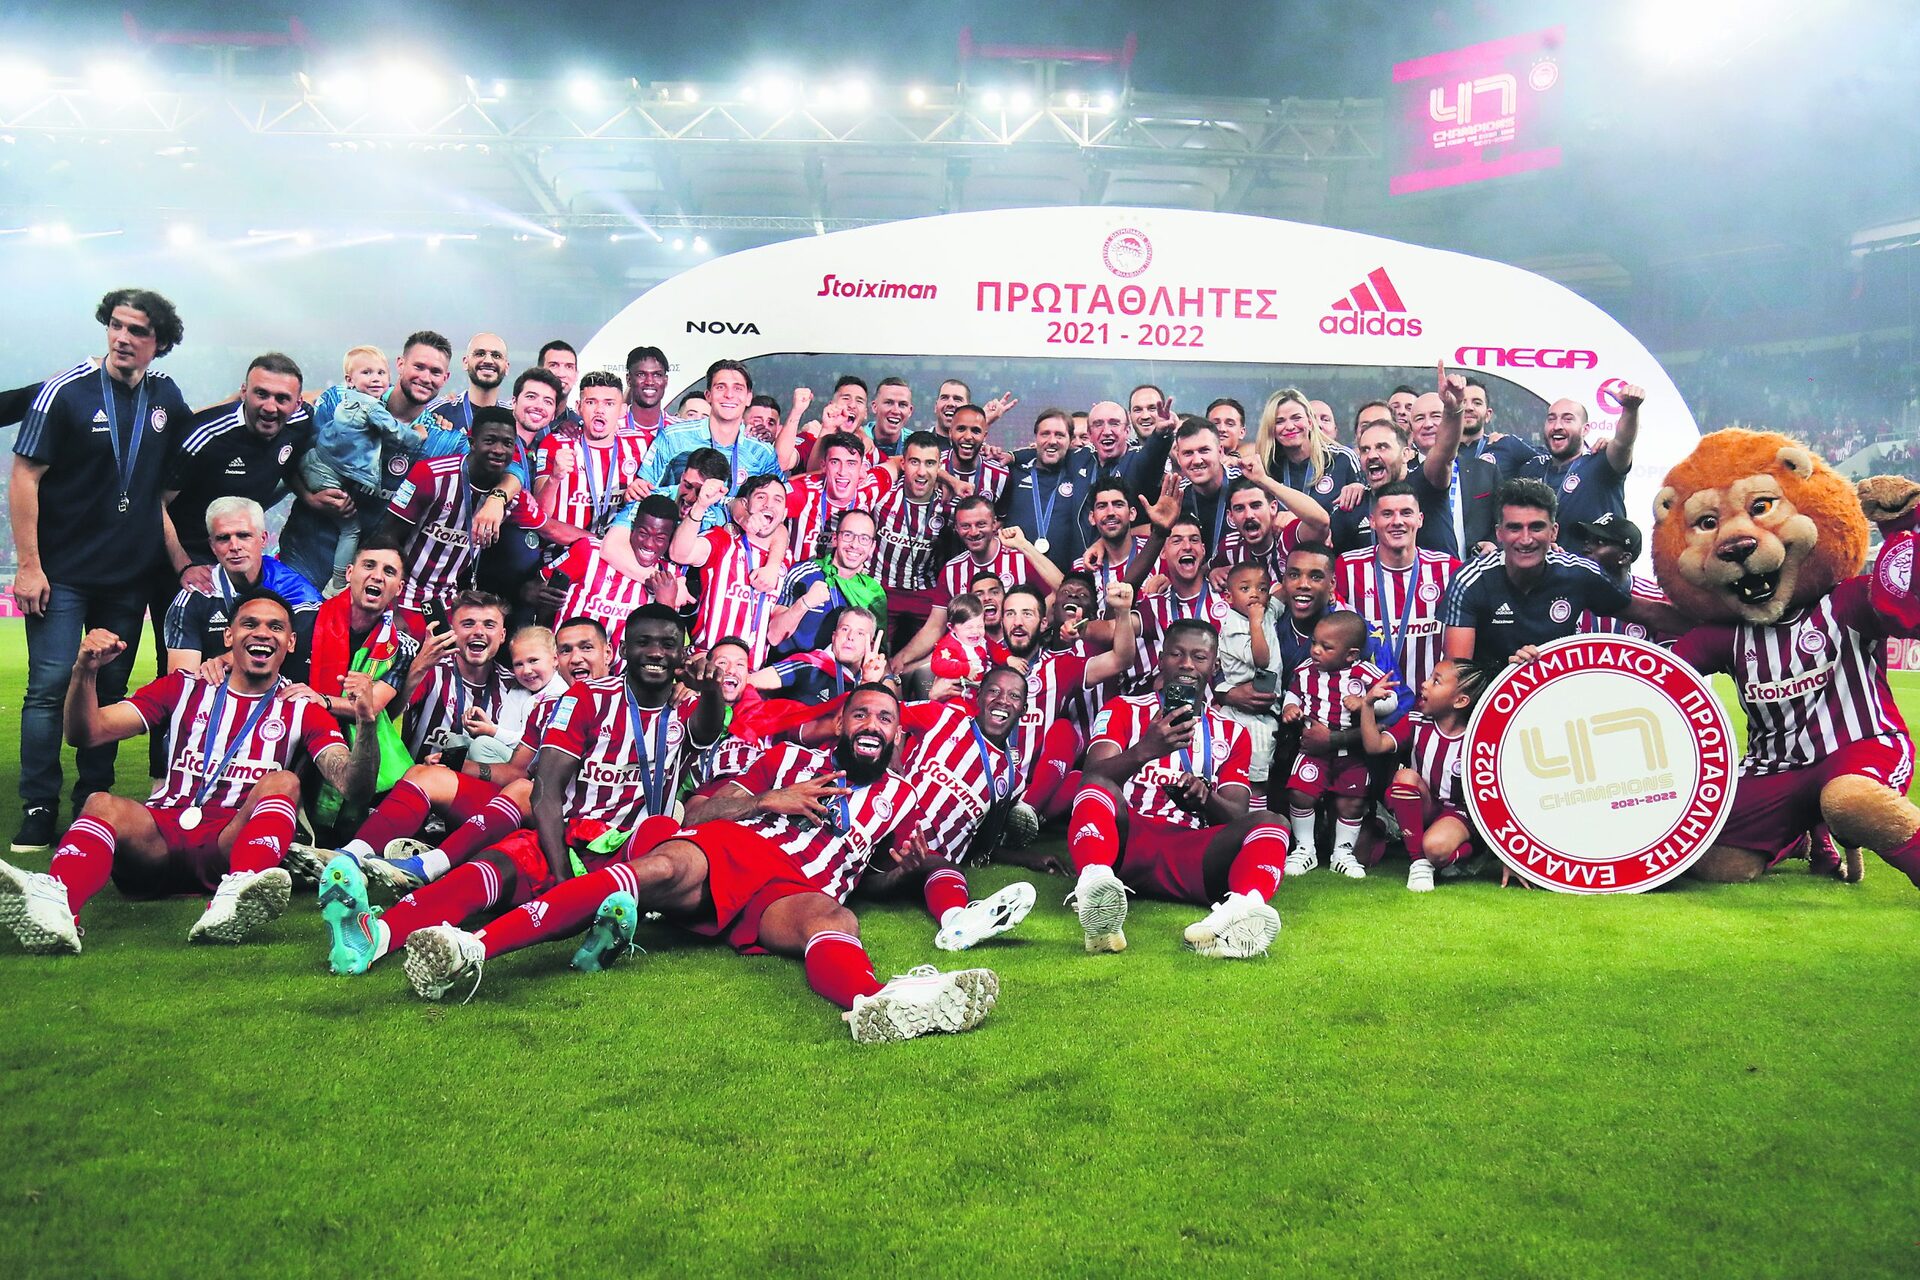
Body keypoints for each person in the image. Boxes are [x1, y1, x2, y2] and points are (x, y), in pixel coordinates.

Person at [394, 684, 1002, 1046]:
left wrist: (906, 872)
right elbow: (700, 809)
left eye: (885, 719)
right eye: (862, 714)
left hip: (801, 887)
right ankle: (474, 950)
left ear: (896, 737)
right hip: (733, 848)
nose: (872, 724)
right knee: (658, 869)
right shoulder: (786, 758)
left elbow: (876, 880)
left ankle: (871, 1004)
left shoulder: (902, 799)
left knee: (836, 919)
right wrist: (767, 799)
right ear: (841, 723)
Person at [317, 606, 721, 977]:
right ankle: (374, 936)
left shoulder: (687, 705)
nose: (656, 652)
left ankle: (476, 940)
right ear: (626, 648)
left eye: (668, 644)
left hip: (632, 850)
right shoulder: (587, 698)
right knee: (486, 869)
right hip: (572, 835)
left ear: (681, 653)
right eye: (644, 642)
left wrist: (709, 688)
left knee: (660, 829)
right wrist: (560, 870)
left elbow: (706, 729)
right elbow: (545, 787)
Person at [0, 591, 380, 954]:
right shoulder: (184, 686)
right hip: (159, 840)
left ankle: (238, 894)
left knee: (285, 781)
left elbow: (353, 786)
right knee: (100, 802)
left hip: (229, 843)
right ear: (229, 636)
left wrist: (366, 723)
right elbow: (86, 733)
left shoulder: (302, 706)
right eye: (250, 624)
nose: (263, 633)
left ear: (291, 643)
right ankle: (56, 904)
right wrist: (85, 671)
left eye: (276, 627)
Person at [11, 288, 193, 854]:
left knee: (110, 688)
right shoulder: (65, 391)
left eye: (138, 331)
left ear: (159, 343)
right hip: (61, 573)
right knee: (47, 688)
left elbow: (193, 451)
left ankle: (93, 797)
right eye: (116, 325)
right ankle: (38, 806)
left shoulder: (166, 396)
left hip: (126, 579)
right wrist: (29, 565)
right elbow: (24, 476)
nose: (122, 338)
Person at [1065, 618, 1291, 958]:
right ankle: (1096, 888)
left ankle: (1241, 912)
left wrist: (1205, 798)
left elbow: (1236, 814)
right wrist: (1145, 750)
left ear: (1214, 665)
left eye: (1199, 657)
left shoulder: (1233, 733)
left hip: (1192, 851)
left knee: (1274, 822)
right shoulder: (1124, 709)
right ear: (1161, 659)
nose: (1187, 664)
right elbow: (1091, 778)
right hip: (1127, 841)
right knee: (1096, 785)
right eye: (1176, 654)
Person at [278, 330, 456, 591]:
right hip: (303, 558)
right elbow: (288, 456)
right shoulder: (338, 400)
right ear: (400, 365)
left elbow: (502, 465)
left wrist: (497, 498)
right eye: (419, 366)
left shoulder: (441, 438)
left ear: (445, 378)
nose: (426, 377)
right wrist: (308, 496)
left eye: (435, 371)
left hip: (368, 581)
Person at [1441, 479, 1679, 665]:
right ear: (1499, 533)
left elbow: (1650, 614)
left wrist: (1703, 625)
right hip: (1487, 700)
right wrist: (1508, 673)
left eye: (1536, 527)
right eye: (1514, 528)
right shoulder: (1470, 580)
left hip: (1556, 699)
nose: (1526, 539)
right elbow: (1457, 672)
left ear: (1553, 532)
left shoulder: (1579, 573)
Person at [383, 411, 577, 626]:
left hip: (447, 601)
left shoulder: (513, 498)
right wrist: (391, 603)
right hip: (402, 593)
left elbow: (549, 527)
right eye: (490, 441)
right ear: (472, 443)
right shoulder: (431, 475)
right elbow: (388, 537)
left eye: (507, 444)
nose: (498, 450)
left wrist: (596, 541)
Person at [161, 353, 310, 576]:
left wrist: (309, 497)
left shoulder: (300, 422)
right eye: (261, 394)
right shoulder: (205, 435)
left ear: (298, 403)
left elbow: (289, 467)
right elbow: (157, 502)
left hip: (243, 556)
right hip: (191, 555)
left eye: (282, 398)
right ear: (244, 392)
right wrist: (184, 566)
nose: (270, 407)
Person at [299, 346, 430, 593]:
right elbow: (398, 434)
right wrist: (419, 433)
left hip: (312, 461)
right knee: (351, 529)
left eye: (381, 373)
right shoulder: (372, 407)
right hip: (326, 476)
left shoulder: (347, 399)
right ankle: (339, 582)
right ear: (350, 380)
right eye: (367, 373)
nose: (375, 379)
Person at [1279, 611, 1396, 878]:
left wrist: (1367, 703)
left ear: (1350, 654)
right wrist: (1290, 708)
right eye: (1314, 643)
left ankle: (1342, 853)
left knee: (1351, 802)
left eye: (1326, 647)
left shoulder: (1365, 673)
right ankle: (1304, 849)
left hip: (1352, 753)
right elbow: (1293, 693)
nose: (1316, 650)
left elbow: (1391, 700)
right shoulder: (1305, 670)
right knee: (1300, 793)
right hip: (1312, 751)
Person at [891, 497, 1062, 674]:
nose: (973, 532)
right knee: (906, 672)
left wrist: (1024, 546)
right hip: (972, 661)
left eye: (981, 524)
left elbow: (1061, 594)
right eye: (965, 526)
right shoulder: (952, 570)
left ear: (994, 524)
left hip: (1020, 658)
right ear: (956, 528)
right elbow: (935, 627)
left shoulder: (1020, 558)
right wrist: (901, 659)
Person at [162, 497, 322, 685]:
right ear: (212, 546)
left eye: (244, 535)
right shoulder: (195, 596)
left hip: (279, 698)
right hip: (214, 697)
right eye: (223, 538)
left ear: (263, 539)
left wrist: (236, 656)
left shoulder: (300, 595)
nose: (235, 547)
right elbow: (182, 682)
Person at [1379, 657, 1495, 892]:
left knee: (1435, 848)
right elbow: (1375, 745)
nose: (1424, 684)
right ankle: (1419, 863)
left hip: (1459, 814)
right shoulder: (1417, 722)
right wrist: (1367, 706)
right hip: (1428, 805)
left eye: (1436, 681)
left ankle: (1473, 853)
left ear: (1460, 701)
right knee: (1404, 778)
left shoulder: (1480, 738)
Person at [1334, 482, 1459, 698]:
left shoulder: (1449, 569)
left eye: (1406, 513)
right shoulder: (1348, 567)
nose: (1397, 521)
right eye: (1387, 514)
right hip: (1366, 703)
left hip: (1428, 704)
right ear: (1373, 521)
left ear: (1420, 519)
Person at [635, 359, 784, 529]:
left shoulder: (762, 452)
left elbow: (781, 502)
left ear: (749, 397)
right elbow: (644, 493)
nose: (729, 395)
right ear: (708, 395)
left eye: (738, 388)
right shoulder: (674, 437)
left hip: (735, 542)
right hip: (676, 535)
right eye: (720, 387)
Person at [671, 471, 793, 666]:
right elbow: (679, 554)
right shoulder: (724, 540)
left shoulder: (786, 558)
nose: (769, 504)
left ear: (784, 514)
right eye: (761, 497)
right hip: (707, 662)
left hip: (751, 673)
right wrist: (700, 506)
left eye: (777, 500)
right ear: (745, 504)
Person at [546, 493, 687, 654]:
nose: (649, 544)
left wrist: (667, 604)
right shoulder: (589, 551)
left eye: (660, 538)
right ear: (633, 527)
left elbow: (667, 647)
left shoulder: (670, 577)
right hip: (569, 662)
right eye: (643, 533)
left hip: (626, 669)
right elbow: (537, 590)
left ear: (670, 539)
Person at [1515, 384, 1642, 556]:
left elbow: (1623, 443)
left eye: (1568, 419)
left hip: (1592, 571)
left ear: (1585, 429)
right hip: (1541, 570)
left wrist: (1630, 410)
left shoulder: (1602, 463)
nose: (1557, 426)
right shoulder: (1531, 469)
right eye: (1551, 419)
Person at [400, 589, 514, 762]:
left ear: (502, 635)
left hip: (484, 778)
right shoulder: (431, 670)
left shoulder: (514, 685)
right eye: (468, 624)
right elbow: (390, 714)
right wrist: (419, 667)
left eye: (489, 625)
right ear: (452, 631)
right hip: (423, 774)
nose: (479, 631)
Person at [869, 431, 958, 643]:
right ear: (903, 463)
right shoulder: (882, 494)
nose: (921, 472)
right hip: (878, 589)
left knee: (935, 652)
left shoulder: (949, 508)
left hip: (924, 594)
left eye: (930, 463)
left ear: (939, 467)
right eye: (914, 462)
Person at [533, 371, 644, 535]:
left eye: (609, 404)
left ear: (622, 410)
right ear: (578, 407)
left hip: (615, 546)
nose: (600, 410)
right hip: (563, 547)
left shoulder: (640, 444)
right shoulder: (555, 443)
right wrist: (554, 479)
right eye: (591, 402)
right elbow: (540, 517)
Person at [769, 508, 883, 659]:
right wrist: (804, 604)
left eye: (864, 538)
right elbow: (773, 636)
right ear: (835, 539)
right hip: (789, 669)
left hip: (840, 673)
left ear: (872, 547)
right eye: (848, 535)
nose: (855, 545)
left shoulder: (872, 592)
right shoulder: (804, 574)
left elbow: (875, 652)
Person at [1213, 563, 1282, 810]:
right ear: (1229, 597)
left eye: (1261, 589)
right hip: (1242, 714)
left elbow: (1284, 593)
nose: (1254, 594)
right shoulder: (1234, 624)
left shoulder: (1267, 610)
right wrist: (1255, 622)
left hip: (1265, 711)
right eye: (1245, 589)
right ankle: (1249, 823)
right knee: (1251, 777)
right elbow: (1260, 659)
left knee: (1261, 775)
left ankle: (1256, 822)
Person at [1001, 407, 1097, 569]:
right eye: (1045, 434)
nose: (1052, 440)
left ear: (1070, 441)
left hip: (1068, 577)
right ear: (1036, 438)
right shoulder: (1013, 472)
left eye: (1060, 435)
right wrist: (1013, 456)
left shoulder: (1081, 474)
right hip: (1016, 575)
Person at [1253, 387, 1362, 510]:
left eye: (1296, 418)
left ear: (1310, 422)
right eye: (1279, 421)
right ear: (1271, 429)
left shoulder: (1342, 459)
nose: (1289, 426)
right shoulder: (1268, 468)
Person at [747, 608, 886, 704]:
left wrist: (868, 683)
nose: (850, 637)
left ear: (871, 645)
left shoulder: (869, 679)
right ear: (834, 636)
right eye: (845, 629)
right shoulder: (808, 664)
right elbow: (747, 682)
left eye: (860, 633)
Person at [425, 333, 510, 437]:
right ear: (465, 362)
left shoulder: (514, 416)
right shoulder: (437, 413)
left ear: (506, 367)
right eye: (480, 354)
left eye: (496, 356)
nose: (488, 361)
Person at [930, 593, 1005, 693]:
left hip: (982, 686)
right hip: (959, 691)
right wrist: (965, 668)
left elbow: (994, 649)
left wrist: (1008, 658)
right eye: (969, 627)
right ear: (951, 627)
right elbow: (938, 665)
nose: (975, 632)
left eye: (980, 626)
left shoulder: (981, 639)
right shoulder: (947, 646)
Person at [940, 402, 1009, 504]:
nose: (968, 436)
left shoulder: (1001, 474)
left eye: (975, 431)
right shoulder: (935, 466)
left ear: (984, 436)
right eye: (961, 429)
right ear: (950, 433)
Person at [621, 345, 678, 449]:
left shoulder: (679, 430)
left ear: (665, 380)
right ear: (629, 379)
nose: (650, 382)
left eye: (657, 375)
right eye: (641, 374)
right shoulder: (613, 428)